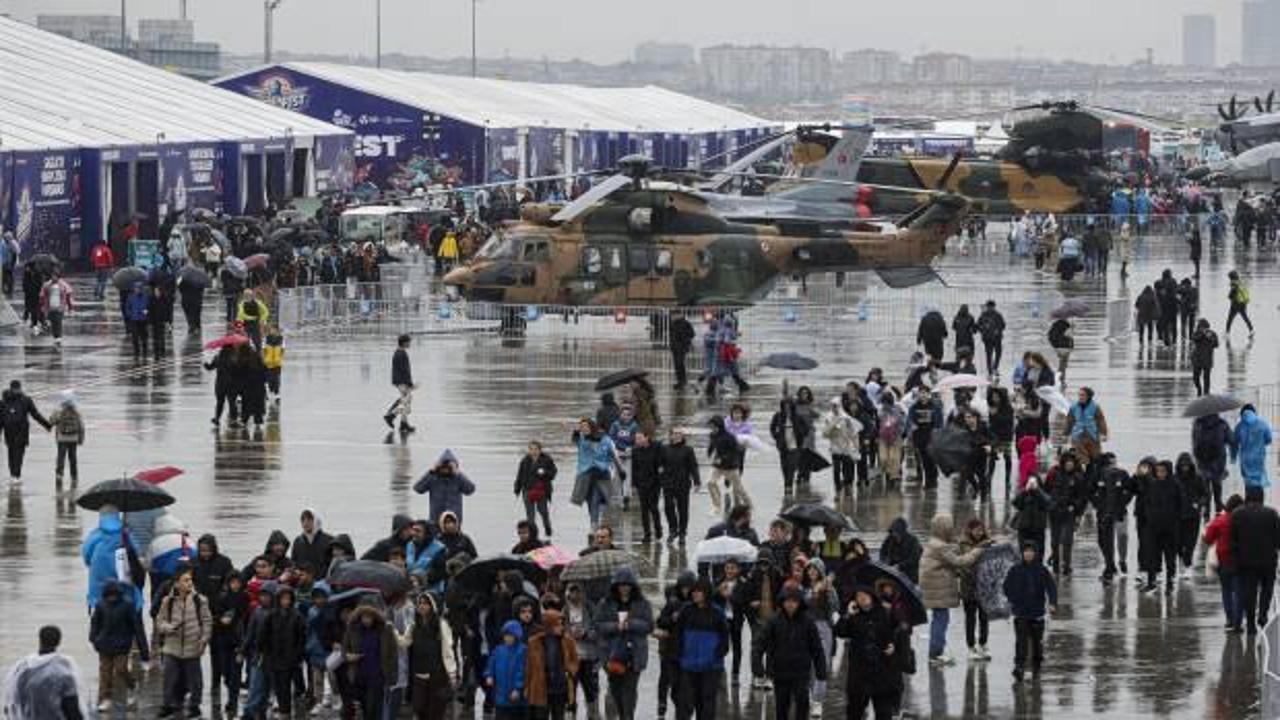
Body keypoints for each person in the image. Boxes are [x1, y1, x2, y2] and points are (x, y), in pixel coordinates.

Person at [920, 513, 984, 665]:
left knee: (940, 619)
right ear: (943, 529)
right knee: (941, 620)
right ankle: (935, 654)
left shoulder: (935, 543)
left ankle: (936, 652)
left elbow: (951, 552)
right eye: (950, 527)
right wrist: (978, 550)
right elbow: (960, 561)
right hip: (938, 589)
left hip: (935, 588)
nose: (952, 530)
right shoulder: (940, 547)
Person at [755, 585, 826, 720]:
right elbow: (760, 644)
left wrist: (821, 671)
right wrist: (757, 665)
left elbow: (817, 648)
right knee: (782, 706)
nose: (790, 604)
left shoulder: (808, 622)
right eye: (787, 601)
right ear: (782, 602)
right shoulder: (774, 621)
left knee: (802, 703)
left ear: (799, 602)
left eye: (794, 601)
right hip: (780, 672)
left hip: (801, 672)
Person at [834, 584, 900, 720]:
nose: (862, 598)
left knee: (883, 712)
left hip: (881, 671)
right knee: (855, 710)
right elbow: (839, 631)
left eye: (864, 595)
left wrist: (893, 645)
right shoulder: (853, 614)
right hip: (859, 672)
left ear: (871, 596)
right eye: (858, 596)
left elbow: (895, 633)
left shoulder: (884, 612)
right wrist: (847, 615)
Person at [594, 569, 652, 720]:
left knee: (630, 692)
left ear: (633, 586)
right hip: (612, 654)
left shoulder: (642, 603)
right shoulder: (605, 603)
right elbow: (598, 626)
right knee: (616, 691)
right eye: (621, 585)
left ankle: (628, 717)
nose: (624, 588)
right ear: (616, 586)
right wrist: (615, 626)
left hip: (635, 655)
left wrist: (630, 624)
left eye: (627, 585)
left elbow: (649, 625)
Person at [155, 568, 212, 719]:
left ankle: (194, 706)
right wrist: (169, 628)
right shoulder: (168, 601)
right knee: (169, 678)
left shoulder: (200, 600)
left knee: (195, 680)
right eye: (185, 580)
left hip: (192, 646)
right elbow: (159, 622)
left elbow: (207, 622)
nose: (189, 583)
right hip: (172, 647)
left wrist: (204, 639)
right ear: (177, 583)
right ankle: (168, 705)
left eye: (190, 580)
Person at [0, 626, 87, 720]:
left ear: (40, 639)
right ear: (58, 642)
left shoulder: (22, 669)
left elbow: (13, 702)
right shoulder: (64, 673)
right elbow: (72, 710)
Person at [89, 581, 149, 713]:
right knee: (105, 672)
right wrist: (93, 639)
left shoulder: (127, 605)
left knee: (121, 669)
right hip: (104, 645)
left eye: (114, 595)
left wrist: (144, 651)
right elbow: (95, 623)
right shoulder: (100, 605)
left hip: (122, 645)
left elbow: (136, 628)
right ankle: (105, 698)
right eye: (109, 596)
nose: (112, 598)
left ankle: (132, 685)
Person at [673, 578, 728, 720]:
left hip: (711, 666)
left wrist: (717, 655)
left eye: (699, 591)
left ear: (706, 593)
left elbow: (725, 639)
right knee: (690, 702)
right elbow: (678, 634)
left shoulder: (717, 613)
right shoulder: (686, 610)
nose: (695, 594)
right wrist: (680, 655)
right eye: (694, 591)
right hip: (689, 665)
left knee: (708, 703)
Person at [1002, 542, 1057, 682]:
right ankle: (1019, 667)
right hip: (1020, 612)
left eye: (1031, 551)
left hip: (1037, 612)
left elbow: (1051, 587)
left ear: (1035, 553)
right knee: (1021, 642)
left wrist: (1052, 603)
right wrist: (1013, 599)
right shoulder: (1015, 570)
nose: (1028, 554)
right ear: (1022, 553)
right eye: (1026, 551)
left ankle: (1036, 665)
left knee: (1037, 642)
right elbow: (1006, 586)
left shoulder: (1041, 570)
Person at [1231, 487, 1280, 634]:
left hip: (1246, 561)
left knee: (1249, 591)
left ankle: (1251, 623)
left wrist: (1236, 557)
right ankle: (1263, 614)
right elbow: (1278, 539)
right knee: (1267, 589)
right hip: (1268, 560)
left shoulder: (1237, 514)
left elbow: (1233, 540)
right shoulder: (1271, 514)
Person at [344, 603, 398, 720]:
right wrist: (348, 656)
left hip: (377, 676)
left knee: (374, 708)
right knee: (363, 709)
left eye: (369, 616)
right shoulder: (352, 628)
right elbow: (345, 649)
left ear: (375, 616)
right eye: (364, 616)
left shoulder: (385, 628)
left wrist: (393, 678)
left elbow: (393, 654)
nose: (366, 620)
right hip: (358, 676)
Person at [409, 593, 458, 720]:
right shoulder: (415, 624)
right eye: (420, 603)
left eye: (425, 603)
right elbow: (405, 641)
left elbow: (448, 650)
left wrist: (452, 673)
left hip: (437, 674)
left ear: (433, 606)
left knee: (435, 712)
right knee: (419, 710)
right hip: (419, 672)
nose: (421, 606)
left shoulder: (441, 625)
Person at [1139, 460, 1186, 593]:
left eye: (1163, 471)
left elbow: (1181, 506)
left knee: (1170, 557)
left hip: (1170, 528)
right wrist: (1149, 517)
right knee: (1152, 556)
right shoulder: (1152, 485)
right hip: (1153, 528)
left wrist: (1176, 522)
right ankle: (1151, 582)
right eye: (1158, 471)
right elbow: (1146, 502)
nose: (1160, 474)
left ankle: (1170, 583)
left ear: (1168, 471)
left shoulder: (1175, 485)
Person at [570, 418, 625, 529]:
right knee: (590, 500)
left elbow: (614, 455)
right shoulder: (580, 438)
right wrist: (574, 432)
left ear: (592, 427)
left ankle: (594, 524)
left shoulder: (605, 440)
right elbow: (574, 440)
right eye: (582, 427)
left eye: (585, 426)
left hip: (602, 474)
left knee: (596, 499)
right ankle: (594, 522)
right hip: (585, 474)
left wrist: (621, 470)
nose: (583, 429)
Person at [1203, 494, 1245, 633]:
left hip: (1224, 561)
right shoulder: (1242, 520)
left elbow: (1208, 538)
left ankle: (1230, 620)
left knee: (1226, 591)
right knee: (1238, 592)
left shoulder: (1220, 520)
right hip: (1240, 561)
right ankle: (1238, 621)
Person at [261, 585, 305, 716]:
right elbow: (264, 637)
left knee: (295, 686)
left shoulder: (297, 616)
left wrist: (298, 655)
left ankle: (291, 708)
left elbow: (302, 637)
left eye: (288, 599)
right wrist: (266, 654)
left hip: (292, 658)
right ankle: (284, 711)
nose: (286, 601)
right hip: (276, 658)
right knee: (281, 687)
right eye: (283, 598)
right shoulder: (271, 616)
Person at [1044, 451, 1088, 576]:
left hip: (1069, 513)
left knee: (1067, 539)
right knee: (1054, 541)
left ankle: (1067, 564)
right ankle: (1056, 562)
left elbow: (1082, 497)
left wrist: (1076, 509)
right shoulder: (1054, 473)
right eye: (1067, 462)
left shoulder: (1078, 477)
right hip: (1055, 512)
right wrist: (1050, 505)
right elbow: (1046, 491)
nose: (1069, 464)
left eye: (1071, 462)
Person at [1, 380, 51, 485]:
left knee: (12, 453)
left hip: (10, 431)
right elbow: (35, 414)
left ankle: (14, 475)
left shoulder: (4, 401)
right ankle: (16, 476)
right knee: (17, 454)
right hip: (21, 431)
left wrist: (46, 425)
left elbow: (1, 419)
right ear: (19, 388)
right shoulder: (25, 400)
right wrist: (47, 425)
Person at [958, 520, 992, 661]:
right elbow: (967, 560)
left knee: (984, 618)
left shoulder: (988, 544)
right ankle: (971, 647)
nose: (979, 532)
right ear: (970, 530)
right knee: (970, 618)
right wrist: (982, 546)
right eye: (976, 530)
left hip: (984, 587)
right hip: (969, 587)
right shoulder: (963, 544)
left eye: (981, 530)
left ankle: (983, 644)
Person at [413, 449, 476, 524]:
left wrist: (458, 474)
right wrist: (430, 472)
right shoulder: (433, 478)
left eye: (448, 467)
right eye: (443, 466)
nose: (445, 469)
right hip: (435, 519)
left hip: (454, 521)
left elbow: (470, 490)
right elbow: (418, 489)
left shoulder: (458, 479)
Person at [661, 428, 700, 544]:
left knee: (683, 509)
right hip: (668, 483)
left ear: (683, 436)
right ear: (670, 436)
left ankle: (682, 532)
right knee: (668, 507)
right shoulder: (665, 449)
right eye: (674, 434)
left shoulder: (688, 450)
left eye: (679, 434)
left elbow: (693, 466)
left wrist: (697, 481)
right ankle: (673, 529)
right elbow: (659, 463)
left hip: (683, 483)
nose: (677, 436)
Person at [484, 620, 527, 720]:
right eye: (506, 635)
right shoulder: (498, 649)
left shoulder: (522, 650)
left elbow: (522, 671)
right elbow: (491, 664)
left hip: (516, 699)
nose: (507, 638)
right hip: (500, 696)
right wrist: (489, 675)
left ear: (516, 636)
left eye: (511, 635)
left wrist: (517, 688)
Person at [515, 441, 558, 538]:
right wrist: (517, 488)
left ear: (540, 450)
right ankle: (533, 535)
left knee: (543, 513)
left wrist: (544, 472)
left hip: (541, 491)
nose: (533, 451)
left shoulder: (547, 459)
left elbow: (553, 473)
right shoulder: (524, 461)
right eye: (531, 449)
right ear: (528, 450)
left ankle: (548, 531)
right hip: (527, 490)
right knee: (530, 516)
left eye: (535, 449)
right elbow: (520, 475)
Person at [1175, 453, 1210, 571]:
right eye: (1182, 465)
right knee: (1178, 541)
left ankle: (1187, 562)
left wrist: (1199, 504)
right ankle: (1181, 559)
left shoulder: (1197, 478)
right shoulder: (1175, 478)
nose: (1185, 468)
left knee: (1191, 541)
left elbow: (1205, 494)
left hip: (1193, 515)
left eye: (1187, 465)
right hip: (1178, 515)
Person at [1193, 412, 1233, 513]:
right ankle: (1218, 512)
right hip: (1218, 463)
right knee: (1217, 488)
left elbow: (1194, 442)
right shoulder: (1222, 424)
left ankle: (1206, 516)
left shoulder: (1197, 423)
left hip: (1202, 462)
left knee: (1205, 489)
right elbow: (1231, 440)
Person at [707, 415, 747, 516]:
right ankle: (717, 506)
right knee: (710, 483)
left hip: (731, 466)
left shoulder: (729, 437)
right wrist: (710, 452)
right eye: (710, 426)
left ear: (719, 426)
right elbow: (712, 444)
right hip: (718, 466)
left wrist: (723, 458)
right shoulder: (712, 435)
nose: (711, 428)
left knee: (739, 489)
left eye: (713, 426)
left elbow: (735, 451)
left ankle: (749, 507)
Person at [820, 397, 861, 495]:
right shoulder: (828, 417)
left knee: (847, 468)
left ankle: (848, 484)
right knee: (836, 469)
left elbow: (854, 432)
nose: (834, 408)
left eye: (836, 406)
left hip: (846, 448)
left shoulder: (846, 418)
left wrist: (856, 446)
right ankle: (837, 488)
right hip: (835, 448)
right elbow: (825, 433)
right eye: (833, 406)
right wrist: (833, 424)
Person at [1231, 404, 1273, 497]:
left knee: (1248, 483)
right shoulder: (1263, 424)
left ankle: (1249, 504)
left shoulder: (1239, 426)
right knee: (1258, 482)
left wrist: (1233, 457)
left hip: (1245, 459)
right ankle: (1260, 504)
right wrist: (1260, 444)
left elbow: (1234, 443)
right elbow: (1269, 439)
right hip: (1258, 458)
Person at [46, 390, 84, 490]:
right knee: (73, 458)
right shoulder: (76, 410)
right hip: (74, 438)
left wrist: (50, 424)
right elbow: (81, 426)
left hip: (61, 438)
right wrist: (81, 438)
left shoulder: (59, 410)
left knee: (61, 457)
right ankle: (74, 476)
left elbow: (51, 422)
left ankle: (59, 474)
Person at [384, 334, 418, 434]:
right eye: (409, 342)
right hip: (401, 381)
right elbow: (405, 370)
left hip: (399, 380)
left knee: (406, 401)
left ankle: (403, 424)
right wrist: (410, 383)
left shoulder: (399, 352)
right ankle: (391, 416)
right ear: (404, 342)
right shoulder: (401, 353)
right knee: (406, 400)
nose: (410, 344)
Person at [1064, 387, 1108, 461]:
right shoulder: (1073, 407)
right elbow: (1069, 421)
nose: (1080, 397)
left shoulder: (1095, 407)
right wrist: (1065, 434)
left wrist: (1103, 433)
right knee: (1081, 457)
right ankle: (1083, 468)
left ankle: (1093, 469)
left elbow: (1101, 420)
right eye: (1079, 395)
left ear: (1088, 396)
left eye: (1083, 395)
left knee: (1095, 457)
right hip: (1077, 435)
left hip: (1092, 435)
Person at [879, 517, 922, 585]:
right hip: (892, 569)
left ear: (902, 532)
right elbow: (882, 552)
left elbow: (914, 559)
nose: (894, 535)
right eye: (893, 532)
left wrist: (900, 566)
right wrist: (885, 561)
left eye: (897, 533)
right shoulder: (889, 539)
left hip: (909, 571)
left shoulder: (913, 541)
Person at [39, 270, 73, 345]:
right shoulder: (47, 285)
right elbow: (42, 296)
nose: (53, 278)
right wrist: (42, 305)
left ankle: (58, 337)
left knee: (58, 321)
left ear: (58, 277)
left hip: (60, 307)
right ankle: (55, 336)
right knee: (53, 322)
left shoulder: (63, 285)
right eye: (52, 276)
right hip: (50, 307)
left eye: (55, 276)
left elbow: (68, 295)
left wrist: (70, 307)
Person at [976, 299, 1006, 378]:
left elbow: (1003, 325)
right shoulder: (985, 315)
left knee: (993, 354)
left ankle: (993, 369)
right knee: (991, 354)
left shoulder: (994, 315)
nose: (990, 308)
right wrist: (984, 329)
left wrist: (997, 330)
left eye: (990, 307)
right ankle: (991, 370)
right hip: (990, 339)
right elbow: (978, 326)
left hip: (994, 338)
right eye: (989, 307)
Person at [1190, 319, 1219, 396]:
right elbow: (1195, 339)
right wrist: (1203, 334)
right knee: (1195, 377)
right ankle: (1199, 389)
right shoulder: (1196, 333)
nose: (1203, 329)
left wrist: (1210, 338)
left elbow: (1216, 344)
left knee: (1206, 378)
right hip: (1197, 359)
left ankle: (1206, 393)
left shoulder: (1213, 334)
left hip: (1207, 359)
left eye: (1205, 327)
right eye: (1201, 327)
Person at [669, 311, 695, 390]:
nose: (672, 317)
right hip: (675, 347)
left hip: (682, 347)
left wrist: (686, 341)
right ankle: (679, 381)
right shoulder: (673, 323)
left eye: (673, 315)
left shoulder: (685, 323)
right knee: (677, 364)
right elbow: (672, 335)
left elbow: (692, 333)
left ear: (679, 315)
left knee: (680, 363)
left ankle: (682, 381)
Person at [124, 282, 151, 358]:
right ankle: (137, 352)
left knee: (144, 337)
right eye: (135, 288)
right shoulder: (131, 297)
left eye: (138, 288)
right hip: (134, 319)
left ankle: (145, 351)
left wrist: (147, 312)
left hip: (143, 320)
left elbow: (149, 307)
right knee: (135, 337)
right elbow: (127, 307)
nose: (137, 290)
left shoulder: (146, 297)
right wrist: (130, 314)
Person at [1225, 270, 1254, 337]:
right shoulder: (1240, 282)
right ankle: (1251, 330)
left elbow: (1232, 293)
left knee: (1230, 319)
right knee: (1245, 317)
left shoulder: (1234, 283)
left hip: (1236, 303)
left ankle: (1227, 333)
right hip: (1243, 303)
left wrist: (1229, 297)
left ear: (1231, 277)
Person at [176, 268, 204, 335]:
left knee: (188, 313)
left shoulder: (182, 279)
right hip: (197, 299)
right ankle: (197, 326)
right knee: (196, 313)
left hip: (186, 299)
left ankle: (191, 325)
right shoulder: (199, 280)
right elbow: (202, 289)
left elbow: (179, 287)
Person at [1047, 317, 1073, 386]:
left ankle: (1060, 380)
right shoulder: (1066, 326)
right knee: (1063, 366)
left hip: (1060, 348)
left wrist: (1055, 346)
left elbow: (1050, 336)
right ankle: (1060, 380)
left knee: (1062, 365)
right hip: (1065, 348)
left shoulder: (1055, 325)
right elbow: (1070, 338)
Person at [262, 325, 285, 401]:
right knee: (269, 379)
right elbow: (263, 350)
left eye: (274, 330)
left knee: (276, 378)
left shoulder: (281, 339)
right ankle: (271, 390)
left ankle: (277, 393)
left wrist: (280, 359)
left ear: (277, 330)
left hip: (277, 363)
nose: (272, 331)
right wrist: (264, 359)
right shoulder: (266, 339)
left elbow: (283, 350)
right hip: (268, 363)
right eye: (271, 329)